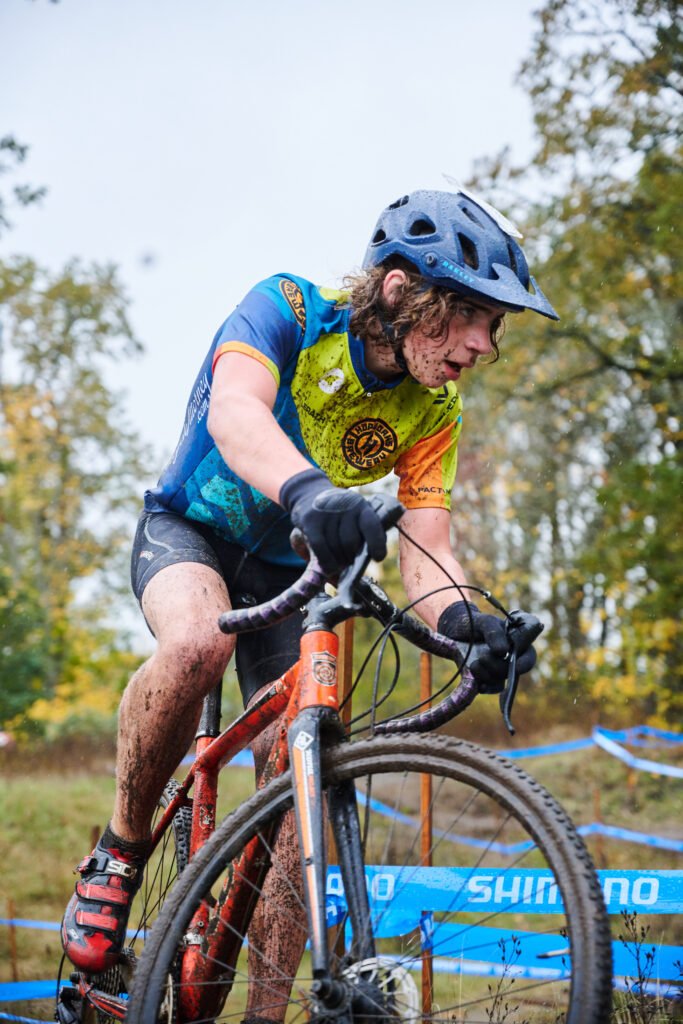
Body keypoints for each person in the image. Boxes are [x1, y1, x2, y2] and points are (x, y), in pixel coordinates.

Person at [61, 189, 557, 992]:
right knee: (197, 643)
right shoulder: (288, 308)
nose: (482, 343)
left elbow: (427, 547)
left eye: (493, 325)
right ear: (398, 289)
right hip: (192, 533)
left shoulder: (434, 408)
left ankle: (268, 1009)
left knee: (303, 794)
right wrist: (310, 493)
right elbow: (235, 414)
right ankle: (119, 850)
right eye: (468, 313)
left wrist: (467, 620)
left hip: (291, 573)